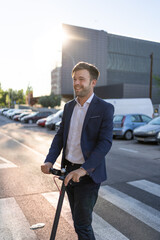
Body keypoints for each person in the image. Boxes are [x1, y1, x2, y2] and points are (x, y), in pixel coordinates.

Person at [41, 62, 114, 240]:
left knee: (82, 225)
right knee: (78, 221)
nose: (76, 83)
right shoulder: (68, 107)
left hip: (88, 174)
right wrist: (49, 160)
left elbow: (105, 142)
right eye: (75, 79)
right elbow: (60, 136)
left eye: (82, 79)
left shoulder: (104, 108)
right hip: (68, 172)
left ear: (93, 82)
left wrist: (84, 169)